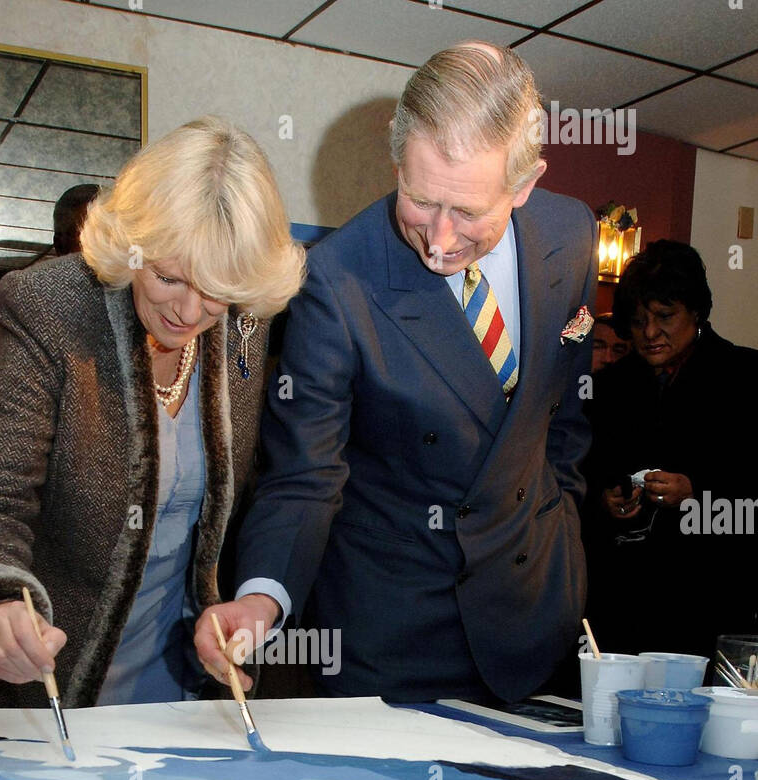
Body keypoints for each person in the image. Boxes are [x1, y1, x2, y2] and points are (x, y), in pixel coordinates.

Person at [195, 42, 596, 705]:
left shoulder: (571, 232)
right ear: (396, 159)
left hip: (533, 607)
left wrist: (565, 529)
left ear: (524, 186)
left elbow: (563, 417)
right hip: (394, 629)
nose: (438, 240)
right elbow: (305, 471)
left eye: (467, 212)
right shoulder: (335, 276)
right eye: (418, 199)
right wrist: (262, 597)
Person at [0, 117, 304, 709]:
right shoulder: (49, 306)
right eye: (167, 277)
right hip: (48, 675)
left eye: (216, 291)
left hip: (178, 677)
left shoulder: (240, 322)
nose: (189, 312)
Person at [582, 240, 758, 658]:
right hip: (621, 602)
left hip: (712, 598)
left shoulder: (745, 379)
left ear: (696, 311)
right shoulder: (610, 386)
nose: (649, 333)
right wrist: (606, 500)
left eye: (664, 316)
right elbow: (582, 476)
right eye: (639, 320)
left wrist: (696, 492)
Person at [0, 184, 100, 374]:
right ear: (61, 243)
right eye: (92, 238)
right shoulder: (35, 310)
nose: (109, 251)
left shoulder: (142, 304)